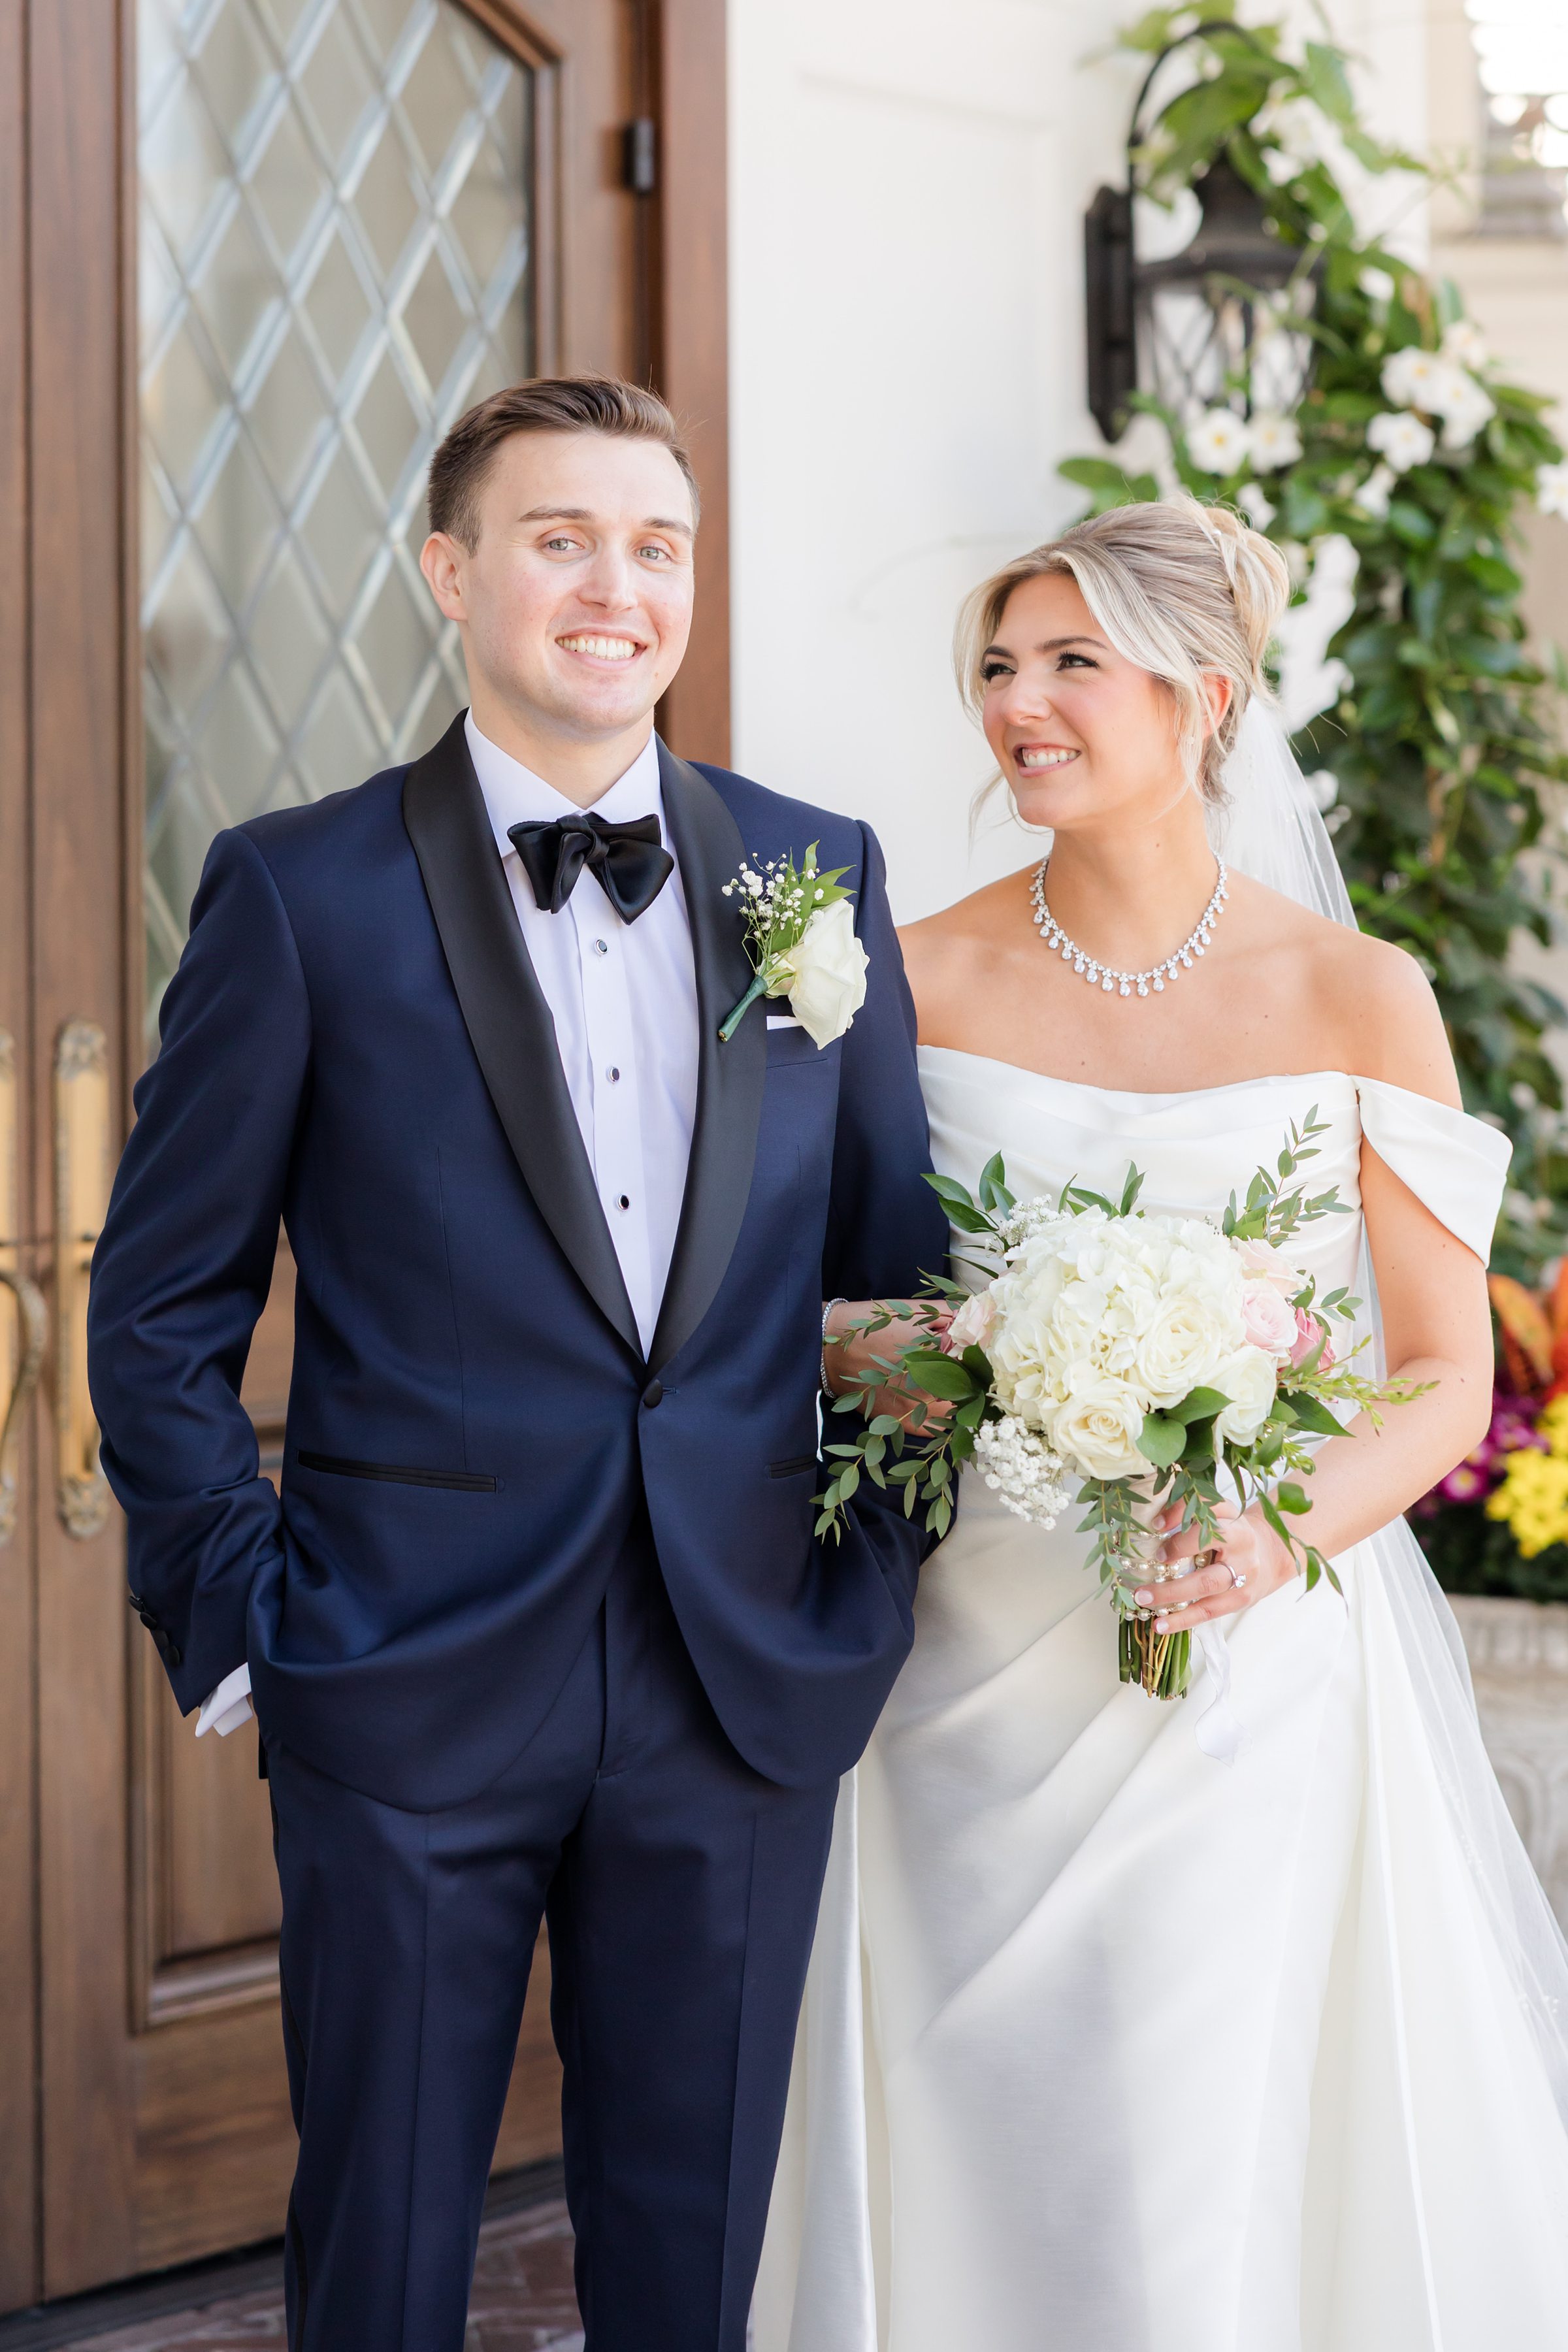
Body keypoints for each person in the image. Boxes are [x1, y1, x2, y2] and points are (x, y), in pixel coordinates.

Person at [87, 375, 949, 2352]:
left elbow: (894, 1283)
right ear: (452, 571)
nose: (614, 588)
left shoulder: (816, 876)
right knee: (380, 2259)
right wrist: (245, 1621)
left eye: (657, 546)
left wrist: (867, 1584)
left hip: (741, 1684)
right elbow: (158, 1308)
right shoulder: (299, 891)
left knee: (695, 2257)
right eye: (560, 538)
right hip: (401, 1687)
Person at [752, 498, 1568, 2351]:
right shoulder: (909, 973)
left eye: (1069, 665)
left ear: (1206, 694)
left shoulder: (1360, 997)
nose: (1017, 706)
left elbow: (1442, 1368)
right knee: (980, 2122)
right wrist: (966, 1357)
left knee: (1197, 2136)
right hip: (959, 1668)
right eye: (997, 668)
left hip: (1250, 1674)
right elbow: (787, 1316)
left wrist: (1274, 1534)